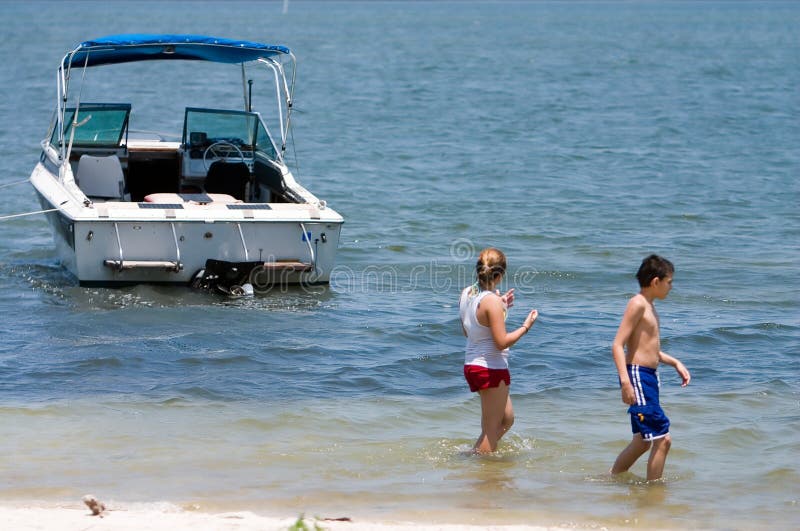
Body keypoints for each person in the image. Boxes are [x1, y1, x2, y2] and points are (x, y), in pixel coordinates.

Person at [610, 254, 691, 481]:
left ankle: (611, 478)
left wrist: (675, 362)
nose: (671, 287)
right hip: (637, 376)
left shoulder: (650, 307)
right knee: (663, 439)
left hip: (648, 377)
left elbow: (648, 349)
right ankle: (653, 494)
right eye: (669, 282)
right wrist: (625, 382)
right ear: (656, 281)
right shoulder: (637, 304)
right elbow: (617, 345)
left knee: (643, 441)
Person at [459, 247, 538, 454]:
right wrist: (526, 326)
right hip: (490, 368)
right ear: (500, 274)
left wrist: (500, 307)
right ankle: (481, 472)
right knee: (492, 428)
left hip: (473, 365)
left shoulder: (467, 293)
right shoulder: (491, 301)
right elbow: (502, 342)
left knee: (507, 419)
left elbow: (469, 331)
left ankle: (474, 454)